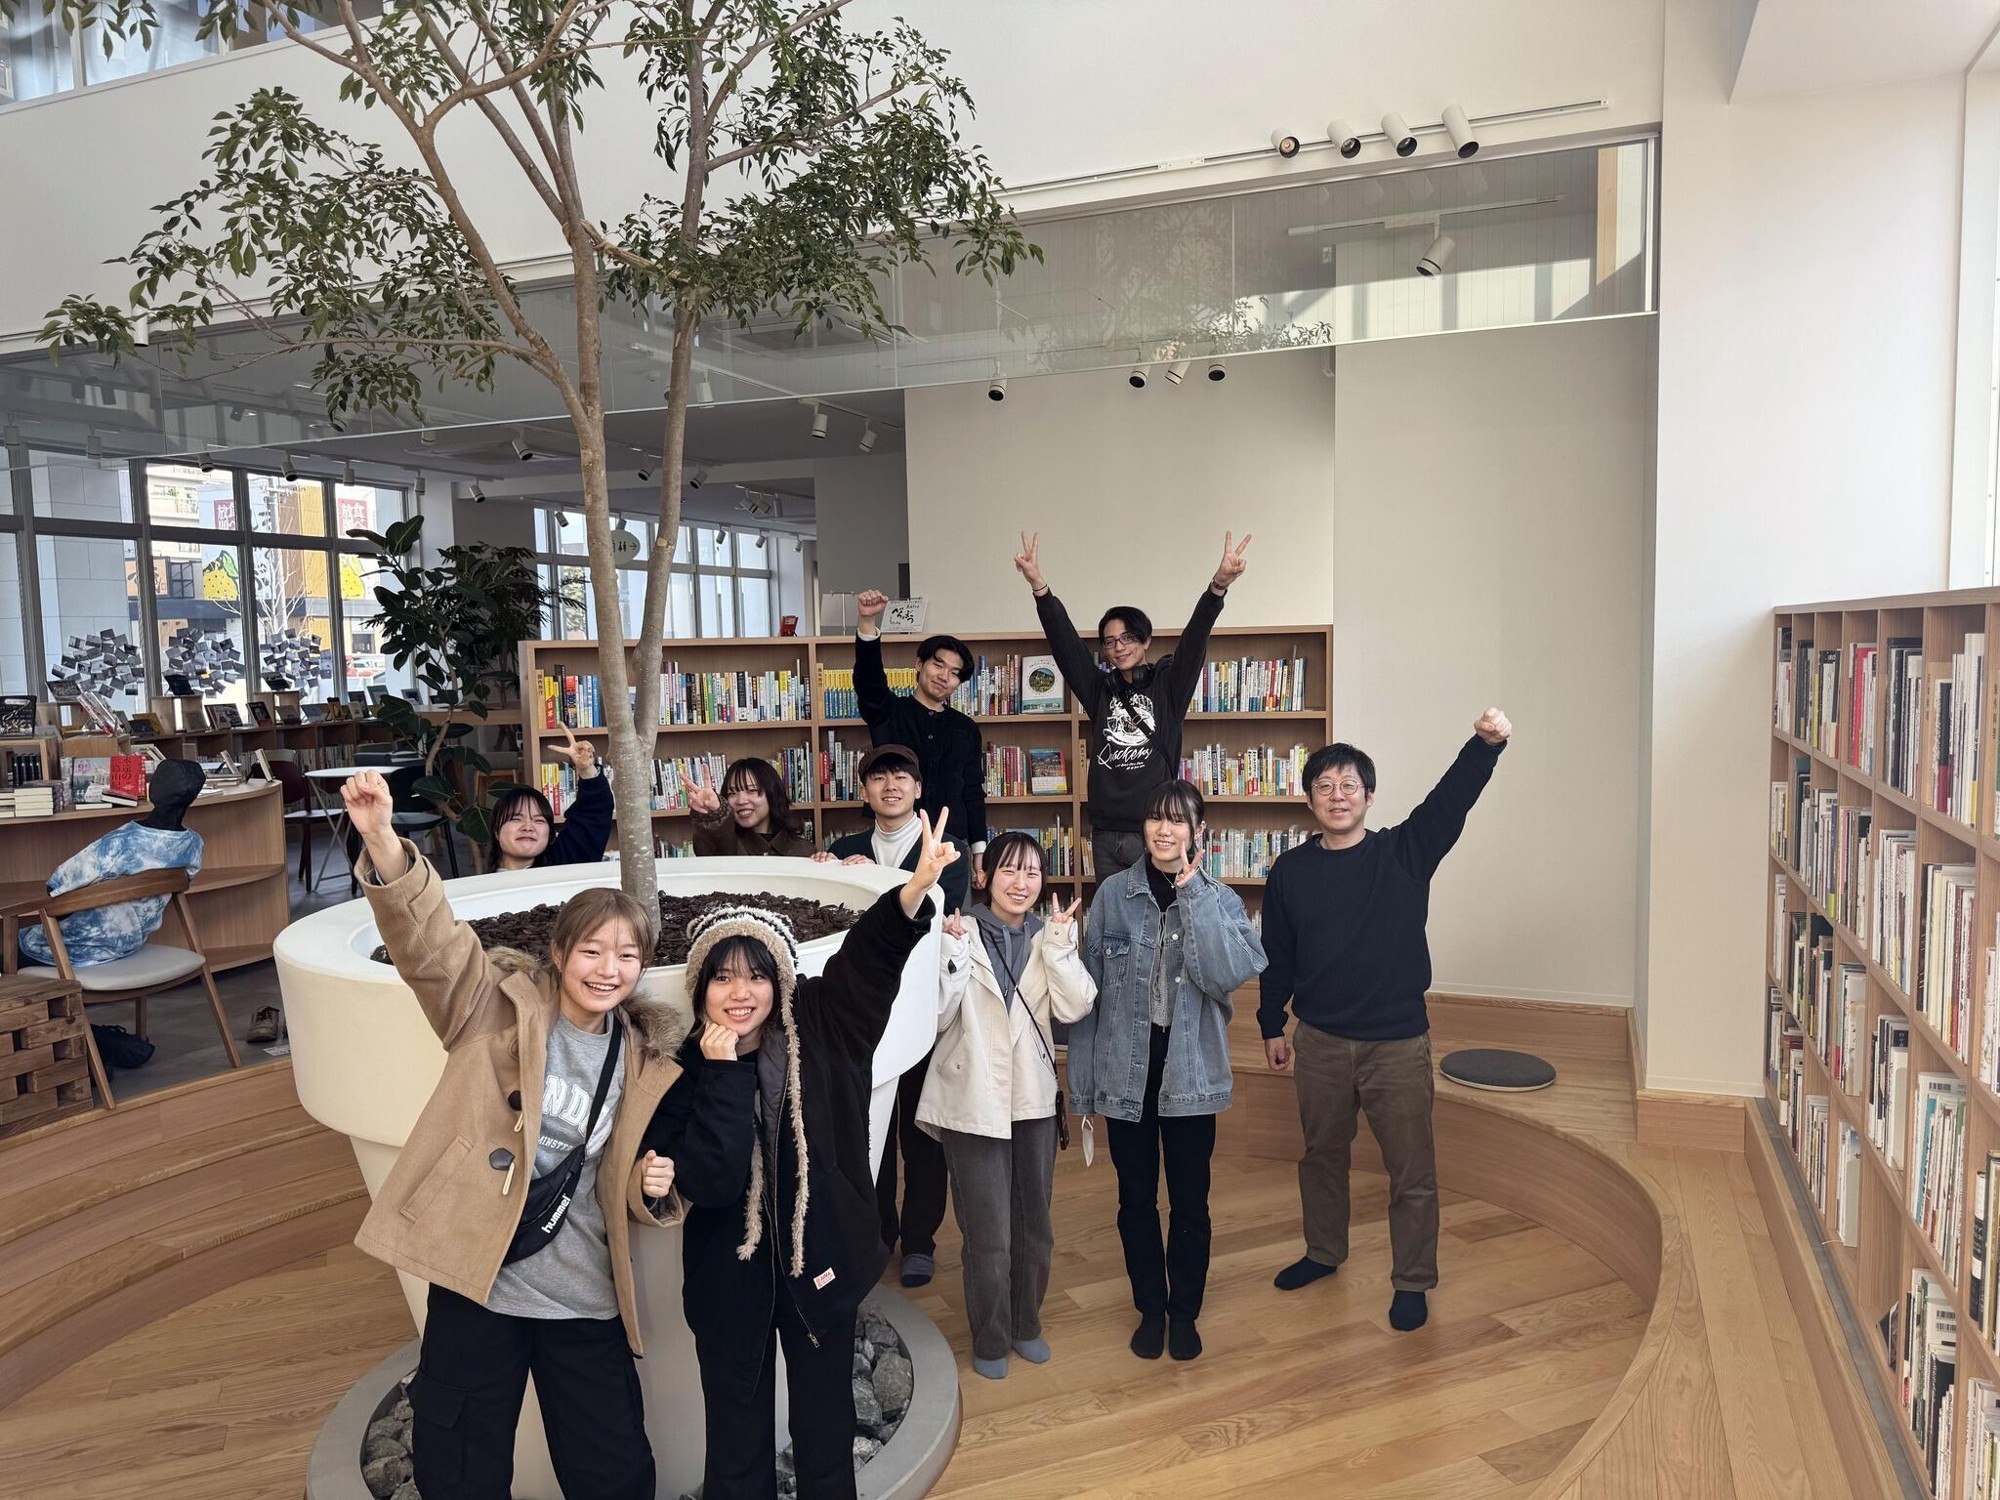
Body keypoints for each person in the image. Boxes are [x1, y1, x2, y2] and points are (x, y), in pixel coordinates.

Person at [341, 767, 684, 1500]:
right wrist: (383, 842)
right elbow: (429, 945)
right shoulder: (492, 1011)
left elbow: (622, 1177)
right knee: (460, 1470)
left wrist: (650, 1186)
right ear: (558, 954)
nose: (608, 969)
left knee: (615, 1472)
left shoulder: (645, 1062)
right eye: (592, 951)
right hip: (480, 1283)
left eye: (627, 956)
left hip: (582, 1296)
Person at [640, 809, 954, 1500]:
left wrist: (913, 889)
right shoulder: (683, 1071)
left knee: (823, 1429)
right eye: (723, 978)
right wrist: (723, 1077)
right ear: (700, 989)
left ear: (780, 979)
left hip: (823, 1265)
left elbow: (868, 960)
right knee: (735, 1444)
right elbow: (713, 1182)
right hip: (728, 1287)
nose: (740, 993)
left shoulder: (825, 1026)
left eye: (756, 976)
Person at [1259, 709, 1513, 1334]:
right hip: (1319, 1042)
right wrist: (1270, 1024)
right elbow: (1278, 956)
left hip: (1397, 1045)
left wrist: (1484, 746)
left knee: (1411, 1170)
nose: (1337, 796)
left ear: (1369, 796)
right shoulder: (1289, 871)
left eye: (1349, 785)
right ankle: (1324, 1252)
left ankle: (1413, 1281)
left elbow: (1450, 802)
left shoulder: (1405, 852)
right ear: (1309, 800)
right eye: (1324, 786)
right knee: (1321, 1157)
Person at [1073, 780, 1265, 1363]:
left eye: (1178, 820)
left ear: (1198, 831)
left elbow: (1225, 974)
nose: (1165, 830)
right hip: (1124, 1072)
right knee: (1134, 1200)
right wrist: (1082, 1089)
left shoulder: (1220, 899)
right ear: (1143, 827)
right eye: (1156, 818)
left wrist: (1193, 895)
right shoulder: (1113, 895)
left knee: (1190, 1201)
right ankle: (1150, 1309)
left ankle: (1184, 1312)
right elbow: (1086, 999)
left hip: (1190, 1072)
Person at [918, 833, 1095, 1380]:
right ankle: (991, 1337)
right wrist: (950, 956)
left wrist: (1061, 947)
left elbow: (1076, 1007)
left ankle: (1026, 1324)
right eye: (1009, 871)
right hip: (972, 1098)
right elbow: (934, 1017)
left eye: (1032, 872)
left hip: (1032, 1100)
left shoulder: (1050, 935)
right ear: (985, 877)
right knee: (987, 1232)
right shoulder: (956, 931)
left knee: (1035, 1224)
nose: (1021, 883)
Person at [1012, 531, 1252, 881]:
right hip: (1105, 835)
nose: (1119, 647)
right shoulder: (1100, 691)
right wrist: (1040, 588)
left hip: (1154, 832)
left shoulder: (1169, 688)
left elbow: (1194, 641)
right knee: (1112, 913)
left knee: (1161, 911)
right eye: (1110, 641)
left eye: (1127, 638)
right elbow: (1066, 646)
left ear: (1146, 641)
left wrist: (1217, 588)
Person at [827, 742, 965, 1286]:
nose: (891, 785)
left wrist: (876, 884)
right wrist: (832, 872)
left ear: (918, 788)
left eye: (901, 776)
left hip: (923, 1007)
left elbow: (933, 912)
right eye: (879, 777)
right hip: (862, 1012)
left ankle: (920, 1241)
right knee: (869, 1129)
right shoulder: (844, 849)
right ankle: (877, 1231)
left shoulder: (948, 850)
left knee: (922, 1130)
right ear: (864, 791)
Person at [853, 587, 988, 883]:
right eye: (938, 664)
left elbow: (972, 791)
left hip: (951, 847)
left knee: (950, 912)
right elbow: (869, 682)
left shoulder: (966, 728)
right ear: (919, 664)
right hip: (893, 843)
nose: (944, 676)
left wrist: (979, 851)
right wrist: (867, 623)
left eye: (954, 673)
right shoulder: (888, 712)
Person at [20, 758, 206, 970]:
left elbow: (55, 886)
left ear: (153, 790)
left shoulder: (121, 843)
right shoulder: (194, 845)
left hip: (73, 949)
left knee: (13, 945)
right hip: (130, 943)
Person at [487, 723, 612, 871]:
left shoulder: (562, 863)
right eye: (516, 818)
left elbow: (594, 814)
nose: (528, 827)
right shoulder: (479, 884)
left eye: (539, 820)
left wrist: (586, 770)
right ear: (496, 830)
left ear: (549, 834)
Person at [688, 756, 819, 858]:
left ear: (772, 794)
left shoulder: (803, 849)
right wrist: (713, 815)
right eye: (732, 793)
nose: (741, 801)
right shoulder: (726, 845)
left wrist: (827, 863)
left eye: (751, 791)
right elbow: (711, 848)